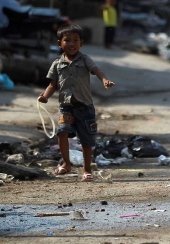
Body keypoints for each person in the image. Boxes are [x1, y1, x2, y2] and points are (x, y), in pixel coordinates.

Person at [38, 24, 115, 182]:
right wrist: (45, 97)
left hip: (85, 107)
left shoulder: (85, 59)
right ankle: (66, 164)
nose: (72, 44)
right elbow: (52, 85)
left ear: (81, 43)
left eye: (75, 40)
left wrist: (105, 80)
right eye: (67, 40)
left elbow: (97, 70)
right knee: (62, 133)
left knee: (86, 140)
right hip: (66, 108)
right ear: (60, 43)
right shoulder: (57, 64)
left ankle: (87, 170)